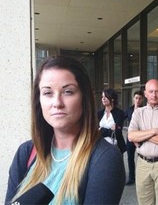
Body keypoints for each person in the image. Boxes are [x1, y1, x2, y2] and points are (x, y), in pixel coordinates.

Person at [5, 56, 125, 205]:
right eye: (48, 93)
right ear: (39, 100)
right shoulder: (26, 152)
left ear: (84, 97)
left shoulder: (104, 159)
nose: (57, 103)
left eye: (68, 91)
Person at [128, 79, 158, 205]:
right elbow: (130, 136)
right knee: (144, 202)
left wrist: (142, 134)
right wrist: (155, 131)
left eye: (157, 92)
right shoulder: (138, 113)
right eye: (151, 91)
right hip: (142, 164)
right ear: (145, 93)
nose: (154, 95)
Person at [97, 88, 127, 154]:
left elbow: (117, 133)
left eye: (106, 97)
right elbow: (96, 131)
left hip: (115, 148)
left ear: (112, 98)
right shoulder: (99, 113)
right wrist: (110, 130)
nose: (103, 99)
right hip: (101, 147)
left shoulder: (119, 113)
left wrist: (101, 130)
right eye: (102, 97)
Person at [124, 90, 144, 185]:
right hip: (131, 137)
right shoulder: (129, 110)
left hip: (141, 137)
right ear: (133, 99)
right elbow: (121, 117)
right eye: (136, 98)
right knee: (130, 158)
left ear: (142, 99)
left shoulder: (145, 109)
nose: (138, 100)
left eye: (140, 98)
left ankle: (142, 176)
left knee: (142, 157)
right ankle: (132, 177)